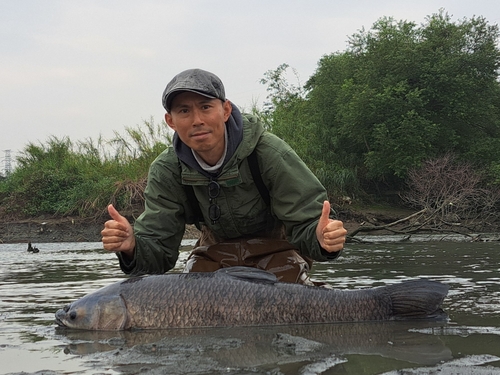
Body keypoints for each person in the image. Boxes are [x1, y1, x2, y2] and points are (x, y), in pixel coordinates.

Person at [101, 68, 347, 285]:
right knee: (191, 299)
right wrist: (132, 247)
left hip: (279, 251)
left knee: (288, 295)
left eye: (206, 107)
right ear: (171, 121)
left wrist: (321, 237)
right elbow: (159, 251)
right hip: (214, 252)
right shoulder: (166, 170)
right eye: (184, 111)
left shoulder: (270, 153)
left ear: (226, 110)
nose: (197, 120)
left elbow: (307, 223)